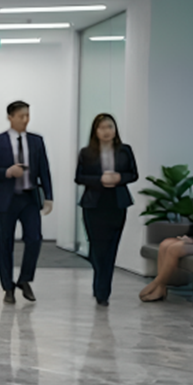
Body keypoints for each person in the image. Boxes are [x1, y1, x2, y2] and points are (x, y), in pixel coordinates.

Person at [0, 100, 54, 304]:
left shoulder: (36, 141)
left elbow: (44, 170)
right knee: (5, 243)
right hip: (5, 199)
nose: (25, 120)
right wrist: (7, 172)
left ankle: (24, 279)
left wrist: (49, 196)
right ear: (10, 117)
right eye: (21, 116)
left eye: (27, 115)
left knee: (34, 239)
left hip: (29, 198)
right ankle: (8, 287)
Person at [74, 113, 138, 306]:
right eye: (102, 128)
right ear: (95, 131)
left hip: (116, 203)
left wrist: (119, 178)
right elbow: (79, 177)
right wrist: (99, 180)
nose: (106, 131)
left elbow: (133, 174)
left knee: (111, 247)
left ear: (115, 129)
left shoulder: (125, 150)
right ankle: (100, 282)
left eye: (110, 127)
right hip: (94, 204)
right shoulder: (86, 152)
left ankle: (103, 291)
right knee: (96, 248)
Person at [140, 161, 193, 302]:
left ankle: (156, 283)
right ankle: (161, 289)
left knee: (174, 249)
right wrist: (189, 236)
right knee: (165, 244)